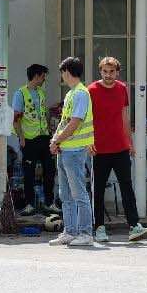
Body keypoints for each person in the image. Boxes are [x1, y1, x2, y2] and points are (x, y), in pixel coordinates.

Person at [89, 57, 147, 243]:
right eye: (105, 71)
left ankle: (134, 226)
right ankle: (99, 228)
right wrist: (88, 141)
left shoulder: (122, 88)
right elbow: (86, 119)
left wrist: (130, 143)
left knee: (127, 187)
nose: (108, 75)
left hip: (120, 147)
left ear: (117, 72)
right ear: (100, 71)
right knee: (98, 189)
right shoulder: (91, 90)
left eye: (112, 72)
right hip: (99, 148)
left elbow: (125, 117)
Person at [49, 57, 96, 247]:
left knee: (79, 194)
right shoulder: (71, 94)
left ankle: (85, 233)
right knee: (66, 194)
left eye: (62, 72)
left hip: (74, 151)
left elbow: (75, 122)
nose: (62, 76)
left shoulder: (81, 94)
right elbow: (65, 122)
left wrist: (56, 140)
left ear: (67, 72)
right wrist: (56, 141)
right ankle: (70, 231)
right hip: (65, 149)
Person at [12, 64, 57, 215]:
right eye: (43, 76)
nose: (44, 79)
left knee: (49, 170)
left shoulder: (41, 92)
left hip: (44, 137)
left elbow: (43, 114)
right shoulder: (21, 93)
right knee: (29, 173)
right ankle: (29, 204)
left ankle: (49, 203)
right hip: (29, 139)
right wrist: (21, 137)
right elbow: (16, 117)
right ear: (37, 76)